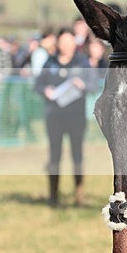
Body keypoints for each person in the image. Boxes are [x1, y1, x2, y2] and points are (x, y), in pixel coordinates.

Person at [34, 28, 97, 207]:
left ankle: (79, 195)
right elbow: (38, 85)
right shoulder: (50, 62)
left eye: (69, 43)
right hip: (54, 116)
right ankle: (53, 196)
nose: (65, 47)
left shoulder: (82, 62)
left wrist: (82, 84)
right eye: (62, 43)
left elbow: (92, 85)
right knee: (54, 156)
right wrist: (45, 90)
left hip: (76, 116)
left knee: (77, 155)